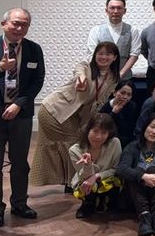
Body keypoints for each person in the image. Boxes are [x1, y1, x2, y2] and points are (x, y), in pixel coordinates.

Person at [0, 8, 45, 228]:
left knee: (20, 163)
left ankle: (19, 204)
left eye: (25, 24)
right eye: (16, 23)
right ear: (4, 24)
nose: (19, 28)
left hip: (20, 114)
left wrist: (19, 103)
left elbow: (37, 80)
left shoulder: (34, 49)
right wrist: (0, 67)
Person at [31, 41, 120, 188]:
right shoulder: (86, 67)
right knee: (75, 144)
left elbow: (101, 100)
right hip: (54, 110)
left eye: (108, 54)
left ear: (115, 57)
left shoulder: (113, 78)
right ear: (95, 55)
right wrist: (81, 78)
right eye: (100, 53)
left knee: (75, 142)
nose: (103, 57)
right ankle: (74, 183)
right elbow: (79, 70)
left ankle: (71, 182)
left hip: (74, 115)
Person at [117, 112, 155, 236]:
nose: (154, 131)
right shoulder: (132, 147)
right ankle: (144, 216)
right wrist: (143, 177)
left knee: (153, 169)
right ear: (145, 127)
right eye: (152, 126)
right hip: (136, 196)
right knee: (137, 172)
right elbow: (121, 169)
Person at [68, 113, 123, 218]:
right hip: (85, 179)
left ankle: (107, 202)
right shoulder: (75, 150)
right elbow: (84, 176)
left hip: (107, 178)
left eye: (104, 132)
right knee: (87, 184)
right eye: (95, 131)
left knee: (116, 181)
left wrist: (96, 176)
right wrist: (88, 165)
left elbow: (116, 169)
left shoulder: (115, 143)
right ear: (88, 130)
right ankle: (88, 204)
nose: (99, 137)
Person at [87, 0, 141, 80]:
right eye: (112, 8)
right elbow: (92, 54)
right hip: (101, 79)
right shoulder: (96, 30)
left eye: (119, 8)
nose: (115, 11)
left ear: (124, 11)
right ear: (106, 10)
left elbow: (134, 54)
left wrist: (121, 73)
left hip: (125, 79)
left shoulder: (133, 31)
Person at [100, 80, 139, 147]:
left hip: (125, 141)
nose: (125, 97)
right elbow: (102, 126)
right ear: (114, 93)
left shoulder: (132, 107)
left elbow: (128, 130)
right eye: (122, 93)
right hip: (106, 139)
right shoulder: (105, 107)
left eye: (129, 95)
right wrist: (113, 113)